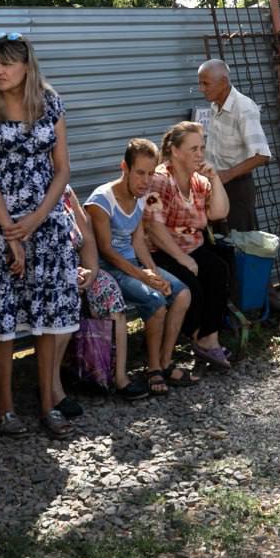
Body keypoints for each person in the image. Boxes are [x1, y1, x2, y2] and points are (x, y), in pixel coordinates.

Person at [0, 32, 80, 439]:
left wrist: (38, 218)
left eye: (6, 63)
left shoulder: (50, 102)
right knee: (5, 319)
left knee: (48, 317)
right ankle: (5, 407)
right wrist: (11, 230)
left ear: (26, 65)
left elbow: (62, 168)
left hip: (46, 225)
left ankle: (49, 404)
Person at [86, 138, 193, 396]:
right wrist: (144, 277)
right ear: (125, 167)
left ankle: (165, 362)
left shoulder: (142, 197)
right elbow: (107, 251)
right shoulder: (102, 200)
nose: (145, 181)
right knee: (155, 302)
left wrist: (154, 272)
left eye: (150, 173)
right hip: (108, 270)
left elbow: (138, 241)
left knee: (182, 294)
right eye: (140, 173)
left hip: (132, 264)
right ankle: (153, 368)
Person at [145, 122, 232, 371]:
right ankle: (192, 339)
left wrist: (214, 179)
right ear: (175, 151)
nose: (200, 154)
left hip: (191, 246)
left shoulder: (198, 181)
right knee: (190, 285)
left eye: (202, 148)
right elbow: (154, 226)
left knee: (218, 270)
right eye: (193, 149)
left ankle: (208, 338)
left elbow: (219, 211)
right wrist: (182, 259)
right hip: (161, 251)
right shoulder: (161, 179)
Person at [51, 186, 147, 407]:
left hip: (79, 271)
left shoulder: (65, 191)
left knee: (108, 290)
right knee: (63, 297)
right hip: (50, 273)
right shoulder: (31, 188)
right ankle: (54, 387)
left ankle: (117, 376)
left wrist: (91, 272)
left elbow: (87, 239)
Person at [197, 59, 271, 233]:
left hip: (236, 189)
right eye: (200, 83)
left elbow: (262, 155)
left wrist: (227, 175)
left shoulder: (243, 108)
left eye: (206, 83)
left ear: (223, 82)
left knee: (239, 244)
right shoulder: (215, 105)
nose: (202, 89)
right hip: (216, 186)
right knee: (218, 242)